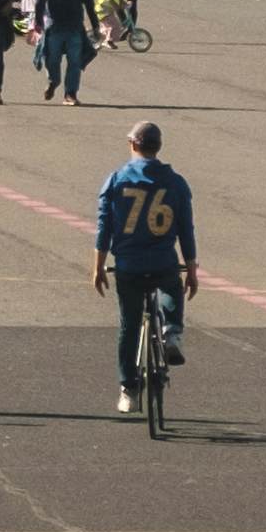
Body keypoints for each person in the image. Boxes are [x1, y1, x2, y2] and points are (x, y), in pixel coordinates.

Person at [93, 121, 195, 417]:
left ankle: (129, 389)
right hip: (162, 260)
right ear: (158, 147)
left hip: (129, 265)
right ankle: (172, 331)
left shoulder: (116, 179)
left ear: (133, 145)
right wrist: (191, 267)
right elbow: (185, 229)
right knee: (172, 286)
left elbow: (104, 226)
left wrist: (98, 266)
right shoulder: (176, 182)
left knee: (129, 324)